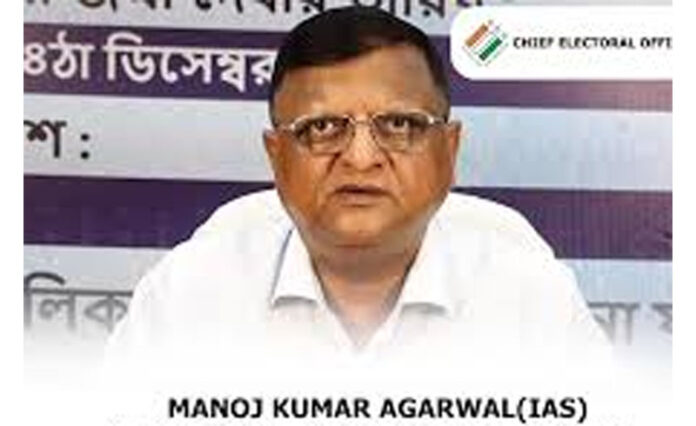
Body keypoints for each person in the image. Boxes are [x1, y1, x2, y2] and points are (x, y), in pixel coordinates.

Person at [107, 6, 609, 371]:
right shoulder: (188, 297)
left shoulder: (531, 302)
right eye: (322, 128)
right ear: (276, 156)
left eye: (399, 124)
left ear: (450, 149)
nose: (361, 158)